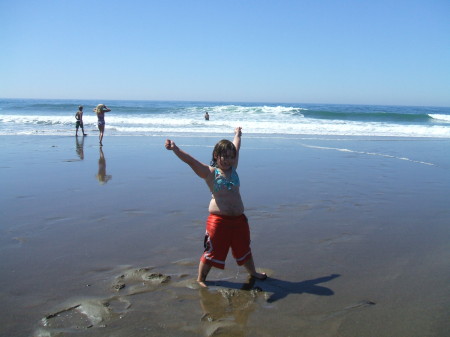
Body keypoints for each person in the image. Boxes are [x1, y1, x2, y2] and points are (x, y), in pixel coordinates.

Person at [165, 127, 266, 287]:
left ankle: (253, 272)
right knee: (212, 251)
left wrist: (237, 135)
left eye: (231, 157)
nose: (228, 160)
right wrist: (175, 149)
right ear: (216, 156)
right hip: (218, 222)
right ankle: (201, 278)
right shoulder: (210, 172)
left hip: (239, 220)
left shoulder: (233, 169)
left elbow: (236, 147)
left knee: (244, 247)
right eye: (224, 156)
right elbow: (191, 160)